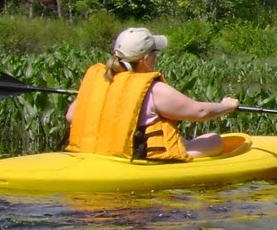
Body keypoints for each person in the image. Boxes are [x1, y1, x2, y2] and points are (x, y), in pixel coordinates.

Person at [64, 27, 240, 160]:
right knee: (215, 140)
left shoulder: (100, 80)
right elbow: (199, 112)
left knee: (187, 140)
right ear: (146, 60)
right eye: (155, 53)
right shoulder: (154, 89)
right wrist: (227, 106)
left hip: (93, 154)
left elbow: (71, 116)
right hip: (138, 158)